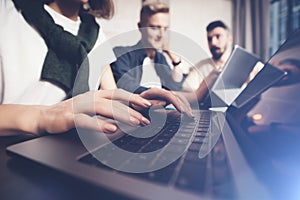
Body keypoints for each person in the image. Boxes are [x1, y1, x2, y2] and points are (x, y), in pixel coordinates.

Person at [0, 0, 192, 136]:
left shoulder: (96, 34)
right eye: (154, 27)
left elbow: (112, 95)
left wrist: (137, 102)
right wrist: (43, 117)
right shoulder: (6, 12)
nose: (160, 34)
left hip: (73, 148)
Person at [110, 2, 184, 94]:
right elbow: (126, 86)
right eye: (154, 28)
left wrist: (176, 61)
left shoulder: (159, 58)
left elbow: (175, 87)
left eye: (165, 29)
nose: (161, 35)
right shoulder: (122, 54)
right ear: (140, 27)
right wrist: (162, 94)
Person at [182, 20, 233, 105]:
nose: (213, 43)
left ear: (230, 39)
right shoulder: (199, 67)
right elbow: (186, 91)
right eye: (209, 39)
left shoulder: (246, 64)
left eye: (218, 36)